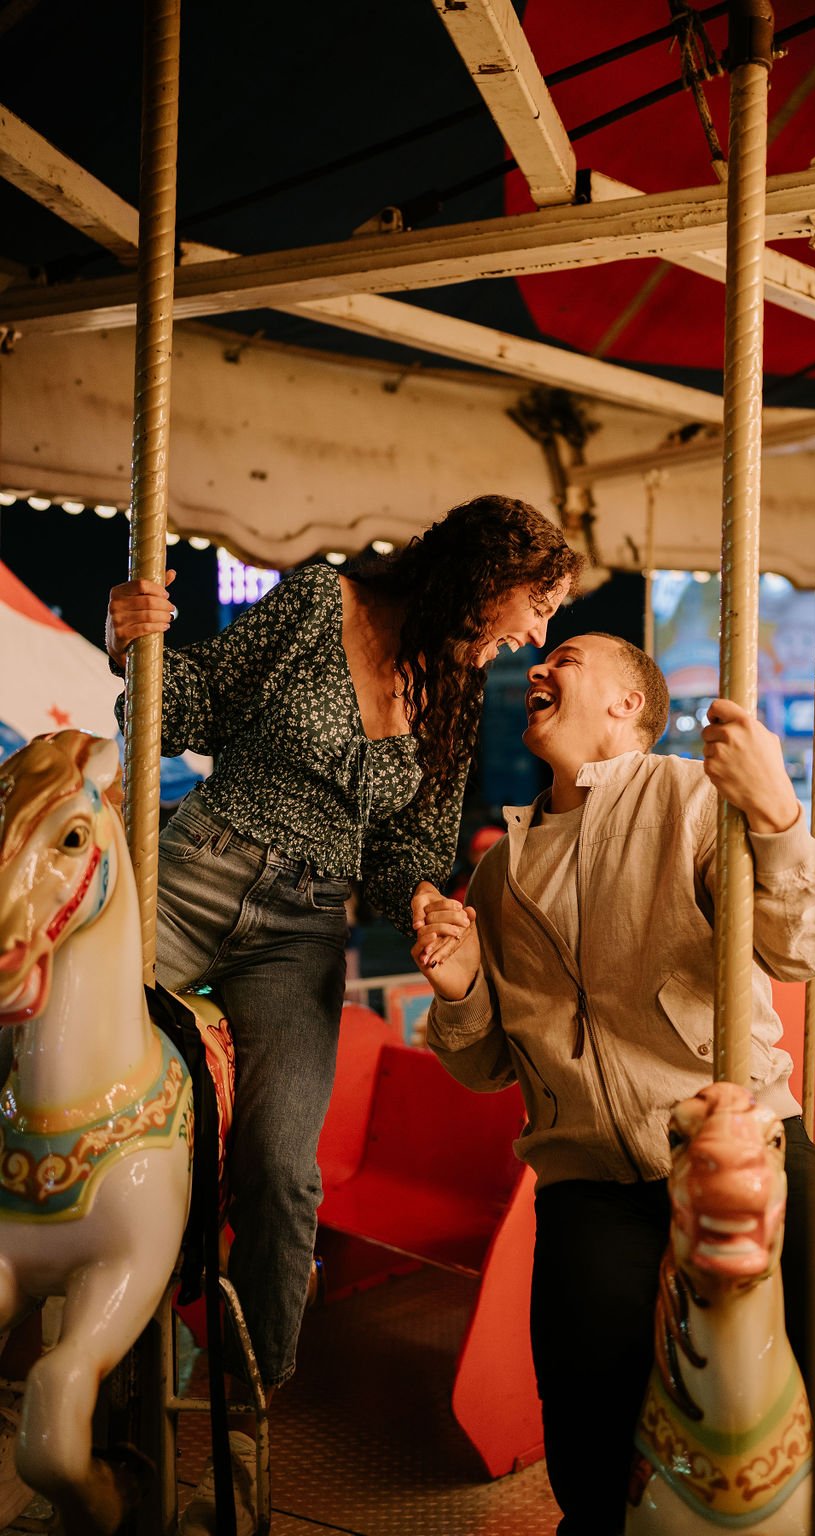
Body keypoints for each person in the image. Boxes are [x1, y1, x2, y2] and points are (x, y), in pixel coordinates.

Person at [104, 495, 584, 1536]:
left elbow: (409, 847)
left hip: (302, 934)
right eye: (535, 605)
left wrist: (418, 893)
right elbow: (188, 709)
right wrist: (131, 641)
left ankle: (243, 1410)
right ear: (482, 573)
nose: (533, 634)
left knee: (282, 1167)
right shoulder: (320, 604)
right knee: (81, 1076)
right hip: (196, 876)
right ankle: (89, 1323)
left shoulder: (452, 687)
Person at [413, 632, 815, 1536]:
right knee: (589, 1456)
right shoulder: (502, 872)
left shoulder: (694, 798)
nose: (539, 667)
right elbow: (488, 1064)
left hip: (738, 1141)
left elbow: (800, 946)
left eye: (568, 658)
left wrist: (777, 816)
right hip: (590, 1181)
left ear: (629, 706)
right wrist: (461, 986)